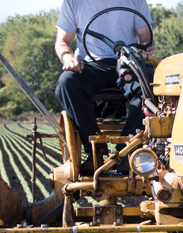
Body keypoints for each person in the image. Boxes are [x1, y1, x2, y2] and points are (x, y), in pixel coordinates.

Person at [54, 0, 154, 172]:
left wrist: (143, 50)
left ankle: (126, 151)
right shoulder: (74, 2)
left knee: (151, 83)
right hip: (90, 65)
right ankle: (96, 150)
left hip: (125, 63)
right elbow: (62, 42)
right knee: (66, 83)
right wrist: (68, 59)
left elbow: (146, 38)